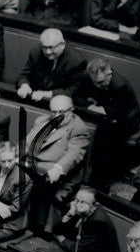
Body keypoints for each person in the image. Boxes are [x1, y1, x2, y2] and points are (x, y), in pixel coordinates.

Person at [24, 94, 91, 231]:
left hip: (60, 175)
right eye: (53, 112)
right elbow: (27, 143)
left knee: (40, 186)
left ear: (71, 110)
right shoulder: (42, 121)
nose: (57, 115)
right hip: (34, 168)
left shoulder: (78, 129)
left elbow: (74, 155)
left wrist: (58, 169)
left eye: (61, 112)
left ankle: (35, 230)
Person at [75, 57, 140, 189]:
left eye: (100, 82)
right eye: (95, 83)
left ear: (109, 73)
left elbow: (117, 111)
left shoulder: (120, 85)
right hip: (100, 115)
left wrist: (99, 108)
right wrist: (90, 106)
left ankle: (99, 183)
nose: (97, 86)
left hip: (126, 120)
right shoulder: (89, 77)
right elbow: (77, 97)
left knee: (105, 142)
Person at [52, 187, 120, 252]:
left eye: (83, 202)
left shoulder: (99, 221)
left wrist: (61, 239)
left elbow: (79, 249)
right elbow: (55, 230)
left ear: (95, 205)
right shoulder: (76, 208)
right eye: (77, 200)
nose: (78, 205)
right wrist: (69, 214)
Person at [16, 28, 87, 103]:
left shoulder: (76, 61)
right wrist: (24, 85)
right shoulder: (36, 52)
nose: (47, 52)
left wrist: (47, 94)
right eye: (44, 47)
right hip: (36, 98)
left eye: (51, 47)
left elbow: (73, 91)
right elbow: (24, 75)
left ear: (62, 44)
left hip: (62, 102)